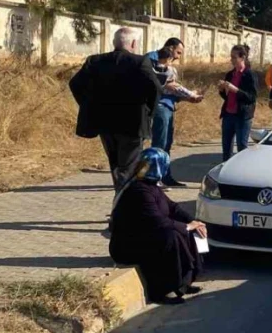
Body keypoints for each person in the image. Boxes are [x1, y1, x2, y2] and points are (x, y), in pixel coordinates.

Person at [70, 27, 161, 194]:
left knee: (116, 166)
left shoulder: (95, 61)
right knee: (128, 169)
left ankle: (121, 205)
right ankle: (123, 209)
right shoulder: (140, 62)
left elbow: (75, 84)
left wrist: (88, 106)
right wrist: (149, 113)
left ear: (114, 42)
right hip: (132, 125)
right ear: (133, 43)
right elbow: (155, 89)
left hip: (105, 124)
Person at [109, 148, 205, 305]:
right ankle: (159, 292)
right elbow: (157, 222)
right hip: (127, 246)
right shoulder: (139, 190)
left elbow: (173, 208)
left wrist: (195, 222)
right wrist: (186, 226)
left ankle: (182, 284)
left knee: (182, 232)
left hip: (144, 236)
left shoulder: (151, 186)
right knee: (171, 236)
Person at [149, 48, 202, 187]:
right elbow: (173, 87)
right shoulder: (160, 68)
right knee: (159, 145)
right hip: (161, 108)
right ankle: (155, 178)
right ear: (168, 56)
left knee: (165, 144)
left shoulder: (157, 66)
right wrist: (191, 94)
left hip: (168, 107)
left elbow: (172, 92)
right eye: (176, 54)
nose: (177, 58)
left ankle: (164, 176)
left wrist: (188, 97)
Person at [219, 44, 258, 161]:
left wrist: (234, 89)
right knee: (226, 148)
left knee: (242, 147)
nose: (232, 60)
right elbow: (227, 97)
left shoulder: (250, 75)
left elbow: (252, 97)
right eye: (231, 57)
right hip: (228, 114)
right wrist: (222, 90)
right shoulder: (230, 74)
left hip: (242, 116)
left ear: (243, 58)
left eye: (234, 57)